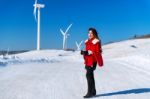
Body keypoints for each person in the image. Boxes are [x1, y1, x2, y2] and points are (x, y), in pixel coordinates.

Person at [81, 28, 103, 98]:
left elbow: (97, 52)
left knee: (88, 75)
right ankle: (93, 91)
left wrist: (89, 52)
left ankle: (90, 92)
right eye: (89, 33)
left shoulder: (96, 42)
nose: (90, 34)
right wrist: (84, 52)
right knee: (90, 76)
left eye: (91, 33)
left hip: (93, 61)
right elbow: (88, 51)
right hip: (88, 60)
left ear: (94, 34)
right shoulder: (87, 41)